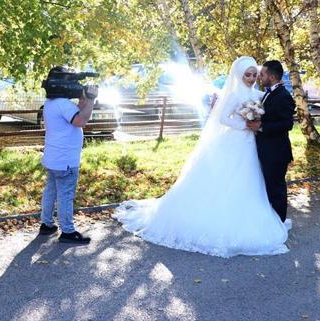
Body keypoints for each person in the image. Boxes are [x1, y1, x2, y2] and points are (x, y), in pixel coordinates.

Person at [113, 56, 289, 257]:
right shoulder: (232, 95)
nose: (251, 78)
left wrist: (256, 123)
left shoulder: (259, 94)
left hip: (251, 145)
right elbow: (223, 118)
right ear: (239, 75)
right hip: (235, 141)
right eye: (247, 75)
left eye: (254, 75)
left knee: (249, 180)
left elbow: (270, 112)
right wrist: (245, 125)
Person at [38, 66, 97, 244]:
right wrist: (92, 101)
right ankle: (68, 232)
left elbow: (77, 112)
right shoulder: (63, 104)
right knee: (65, 195)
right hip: (66, 161)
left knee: (51, 191)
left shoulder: (51, 103)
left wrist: (83, 100)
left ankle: (46, 224)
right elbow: (81, 121)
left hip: (53, 158)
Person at [248, 60, 296, 226]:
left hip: (276, 152)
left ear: (272, 77)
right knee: (269, 187)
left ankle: (279, 223)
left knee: (276, 189)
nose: (259, 77)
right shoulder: (269, 92)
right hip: (267, 150)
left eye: (262, 74)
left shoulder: (284, 96)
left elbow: (287, 124)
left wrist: (262, 126)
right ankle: (272, 221)